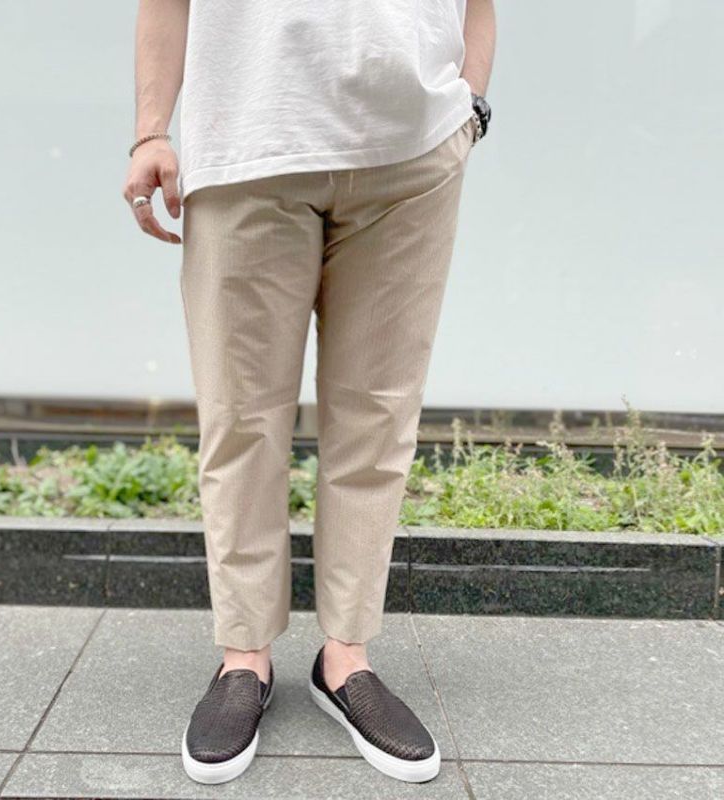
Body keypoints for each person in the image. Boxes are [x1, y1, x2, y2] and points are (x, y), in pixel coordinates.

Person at [122, 0, 495, 786]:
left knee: (377, 420)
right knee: (241, 420)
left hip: (412, 153)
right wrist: (151, 130)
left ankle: (346, 657)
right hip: (250, 142)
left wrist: (470, 109)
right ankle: (244, 657)